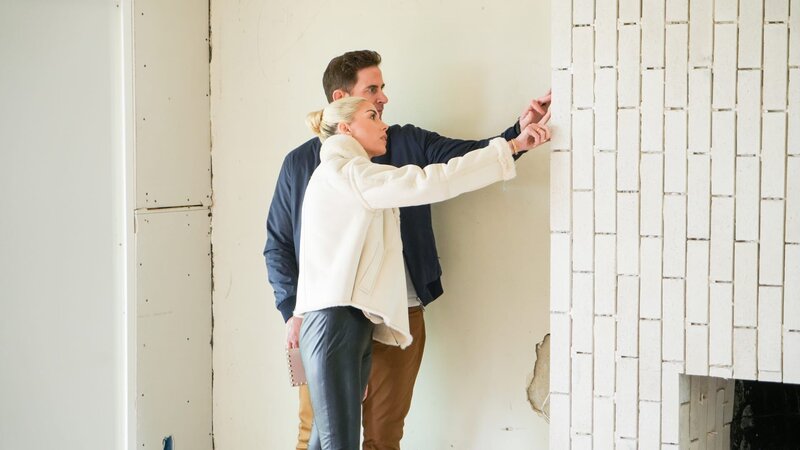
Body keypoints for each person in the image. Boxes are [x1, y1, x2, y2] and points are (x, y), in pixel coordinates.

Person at [263, 50, 551, 450]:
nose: (384, 104)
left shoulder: (369, 158)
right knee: (322, 438)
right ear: (343, 114)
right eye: (372, 98)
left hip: (378, 313)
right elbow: (436, 182)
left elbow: (457, 161)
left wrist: (516, 137)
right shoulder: (343, 171)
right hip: (334, 319)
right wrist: (292, 311)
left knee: (364, 438)